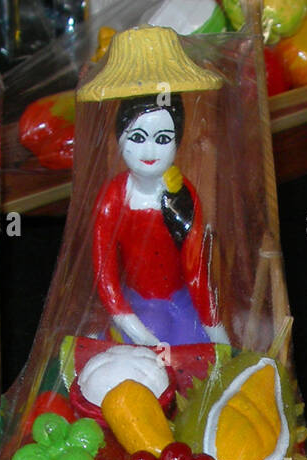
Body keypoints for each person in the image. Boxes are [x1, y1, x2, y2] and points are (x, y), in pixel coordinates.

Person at [90, 94, 227, 347]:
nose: (150, 151)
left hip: (183, 300)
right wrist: (133, 326)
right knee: (146, 345)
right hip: (138, 303)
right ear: (120, 138)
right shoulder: (113, 197)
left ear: (177, 143)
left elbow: (196, 270)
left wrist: (218, 331)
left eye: (162, 139)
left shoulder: (184, 193)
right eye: (137, 138)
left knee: (193, 342)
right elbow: (104, 273)